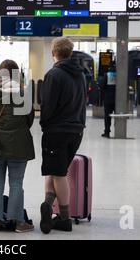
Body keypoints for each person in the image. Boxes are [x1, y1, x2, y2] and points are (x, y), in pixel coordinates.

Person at [39, 37, 87, 233]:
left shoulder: (54, 74)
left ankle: (65, 218)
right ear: (70, 52)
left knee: (59, 174)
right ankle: (48, 205)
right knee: (55, 169)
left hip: (57, 130)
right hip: (76, 130)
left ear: (54, 53)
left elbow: (47, 105)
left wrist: (44, 123)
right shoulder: (81, 75)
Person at [0, 60, 35, 233]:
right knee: (16, 183)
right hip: (18, 147)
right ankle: (19, 223)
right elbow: (29, 120)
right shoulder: (22, 93)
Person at [101, 64, 116, 138]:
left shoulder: (107, 75)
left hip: (108, 99)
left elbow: (102, 86)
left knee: (107, 117)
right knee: (117, 116)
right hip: (118, 100)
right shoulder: (119, 75)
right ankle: (118, 131)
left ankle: (107, 132)